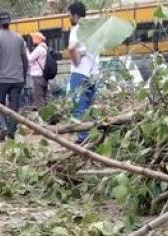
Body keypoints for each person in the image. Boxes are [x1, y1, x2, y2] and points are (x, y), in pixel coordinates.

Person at [0, 11, 28, 142]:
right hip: (17, 79)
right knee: (14, 108)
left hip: (2, 79)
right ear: (9, 23)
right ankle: (11, 133)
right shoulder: (19, 37)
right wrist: (24, 76)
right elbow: (25, 60)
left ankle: (4, 126)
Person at [67, 1, 100, 144]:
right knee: (89, 108)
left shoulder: (77, 29)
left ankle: (82, 139)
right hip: (93, 74)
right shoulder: (93, 29)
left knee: (79, 107)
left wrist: (76, 62)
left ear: (74, 15)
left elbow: (71, 48)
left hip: (80, 73)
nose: (69, 17)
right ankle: (92, 137)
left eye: (69, 14)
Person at [28, 32, 49, 109]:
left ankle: (41, 116)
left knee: (38, 98)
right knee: (44, 97)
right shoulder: (45, 48)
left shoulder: (39, 49)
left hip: (38, 76)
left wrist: (26, 52)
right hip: (43, 75)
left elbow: (29, 59)